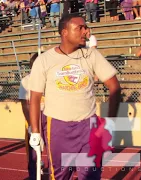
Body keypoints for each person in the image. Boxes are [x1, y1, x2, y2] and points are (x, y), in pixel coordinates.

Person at [28, 14, 121, 180]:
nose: (86, 31)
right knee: (60, 175)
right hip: (57, 127)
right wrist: (35, 131)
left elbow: (114, 86)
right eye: (80, 28)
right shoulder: (44, 60)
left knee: (90, 175)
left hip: (88, 127)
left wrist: (110, 122)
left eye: (86, 27)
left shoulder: (91, 55)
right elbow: (34, 98)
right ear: (65, 32)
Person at [19, 53, 46, 180]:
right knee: (33, 151)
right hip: (34, 117)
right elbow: (24, 104)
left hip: (50, 117)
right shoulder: (26, 81)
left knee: (53, 149)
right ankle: (33, 175)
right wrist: (31, 123)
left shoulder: (50, 79)